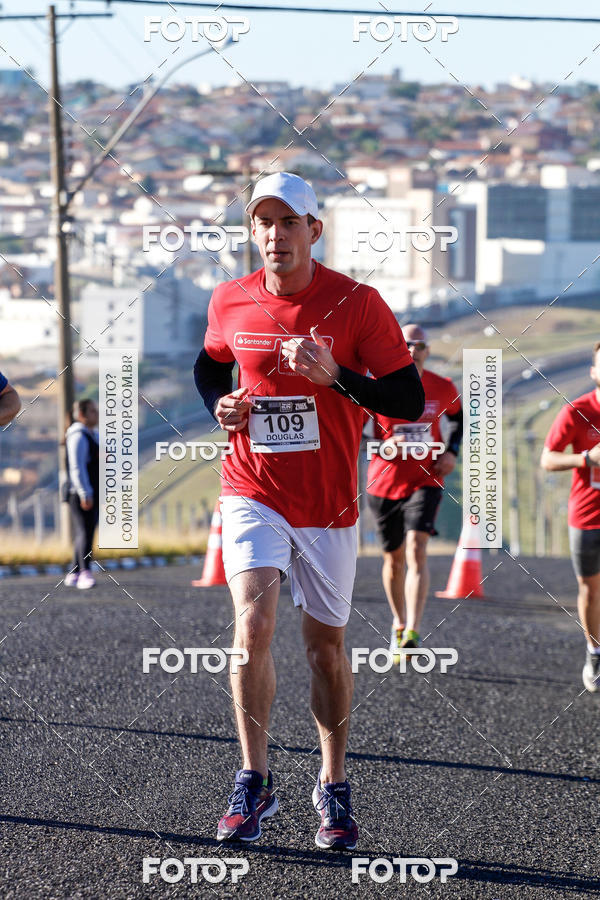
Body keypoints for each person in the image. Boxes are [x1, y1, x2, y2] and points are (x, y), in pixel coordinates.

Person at [194, 171, 424, 850]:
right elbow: (210, 364)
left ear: (313, 231)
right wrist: (219, 405)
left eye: (288, 222)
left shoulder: (358, 304)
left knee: (325, 652)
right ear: (253, 233)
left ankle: (333, 784)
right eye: (263, 223)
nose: (275, 235)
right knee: (252, 626)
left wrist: (338, 378)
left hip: (327, 506)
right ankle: (253, 777)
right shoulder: (229, 299)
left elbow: (406, 401)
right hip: (252, 489)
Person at [366, 325, 462, 662]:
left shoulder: (442, 386)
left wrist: (452, 451)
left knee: (417, 548)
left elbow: (460, 418)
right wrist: (384, 445)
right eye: (406, 343)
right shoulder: (378, 386)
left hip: (426, 478)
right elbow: (355, 435)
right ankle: (398, 621)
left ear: (427, 351)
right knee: (393, 559)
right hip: (384, 482)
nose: (412, 349)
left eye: (419, 344)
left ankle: (413, 631)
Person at [541, 340, 600, 692]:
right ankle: (594, 651)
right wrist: (587, 459)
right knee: (590, 588)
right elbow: (548, 458)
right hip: (588, 515)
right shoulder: (577, 411)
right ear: (594, 372)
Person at [64, 399, 99, 590]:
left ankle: (75, 571)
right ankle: (85, 571)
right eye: (93, 411)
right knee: (85, 531)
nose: (97, 414)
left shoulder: (92, 434)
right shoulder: (77, 436)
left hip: (91, 490)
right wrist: (85, 493)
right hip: (81, 493)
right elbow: (77, 468)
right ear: (82, 415)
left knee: (85, 531)